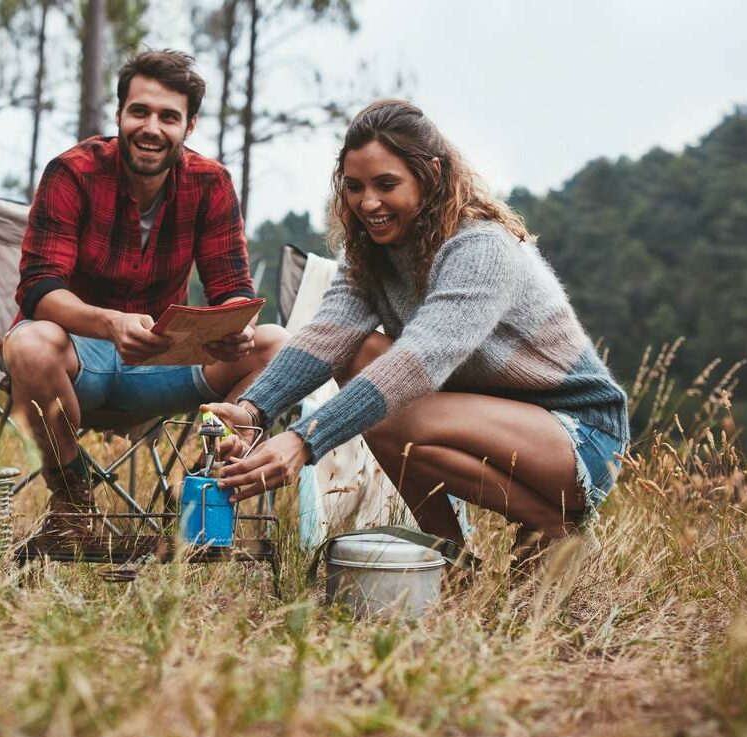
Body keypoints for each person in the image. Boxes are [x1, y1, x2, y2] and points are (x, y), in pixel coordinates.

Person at [205, 99, 629, 556]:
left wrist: (305, 441)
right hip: (487, 418)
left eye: (387, 184)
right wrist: (253, 410)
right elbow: (326, 336)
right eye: (354, 187)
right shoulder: (370, 254)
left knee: (392, 409)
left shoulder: (481, 248)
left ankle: (559, 529)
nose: (368, 203)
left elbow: (418, 361)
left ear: (429, 175)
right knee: (359, 356)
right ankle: (450, 557)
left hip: (577, 434)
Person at [3, 49, 286, 532]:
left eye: (168, 117)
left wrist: (238, 326)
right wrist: (110, 324)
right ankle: (72, 502)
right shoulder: (72, 172)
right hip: (78, 361)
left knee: (275, 344)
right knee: (29, 343)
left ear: (188, 126)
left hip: (162, 363)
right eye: (140, 112)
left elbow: (233, 289)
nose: (152, 127)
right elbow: (39, 288)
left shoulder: (211, 183)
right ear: (119, 115)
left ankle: (204, 488)